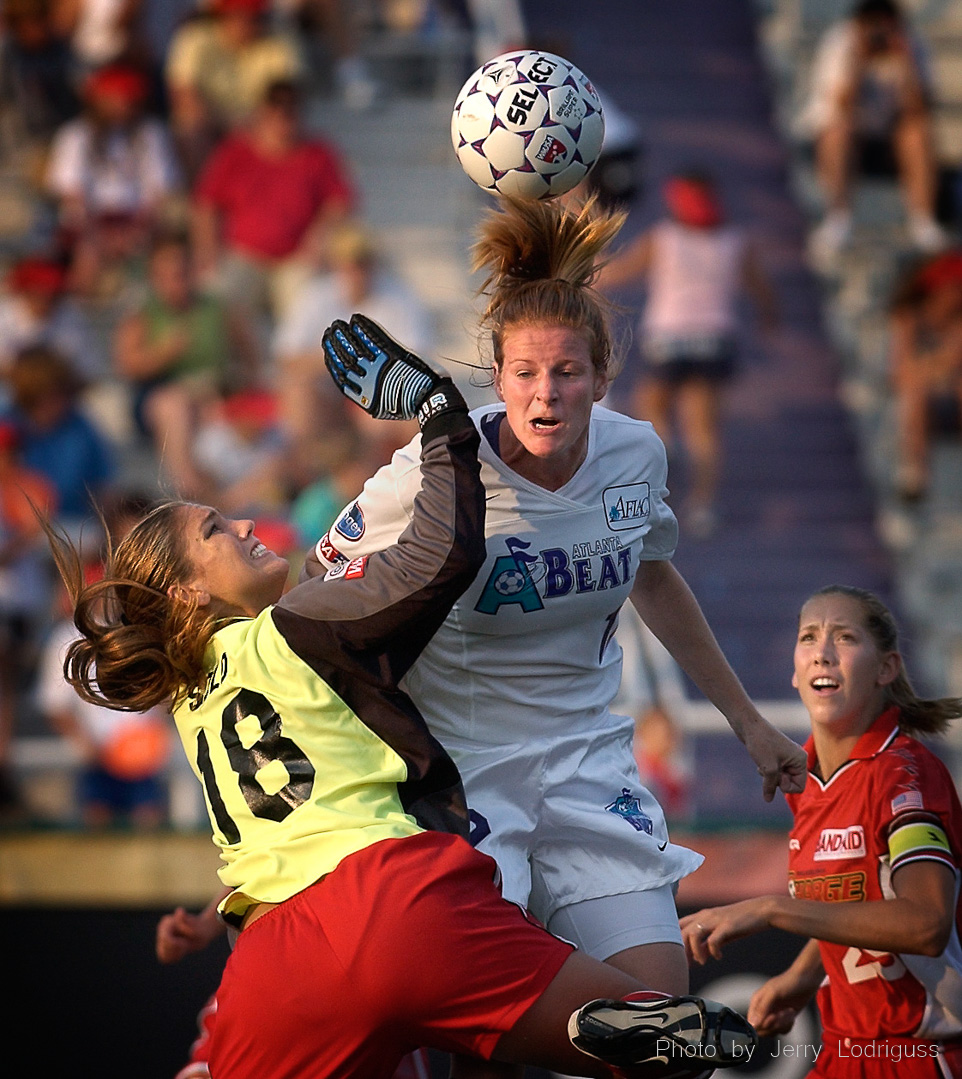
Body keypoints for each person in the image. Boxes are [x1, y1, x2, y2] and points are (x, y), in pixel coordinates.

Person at [43, 311, 757, 1079]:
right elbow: (442, 554)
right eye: (217, 528)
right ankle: (745, 1042)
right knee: (660, 1033)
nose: (244, 522)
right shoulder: (294, 626)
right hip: (398, 904)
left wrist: (213, 912)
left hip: (279, 955)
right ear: (187, 593)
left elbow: (279, 825)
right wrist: (441, 413)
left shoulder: (186, 695)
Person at [308, 198, 806, 1078]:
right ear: (495, 378)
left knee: (660, 1036)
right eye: (528, 372)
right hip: (460, 780)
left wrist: (747, 722)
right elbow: (316, 597)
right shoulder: (434, 468)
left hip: (587, 768)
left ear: (603, 376)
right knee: (486, 1039)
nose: (548, 393)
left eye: (569, 372)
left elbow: (651, 572)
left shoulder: (636, 454)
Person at [680, 584, 962, 1078]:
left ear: (886, 669)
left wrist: (771, 909)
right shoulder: (803, 778)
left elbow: (926, 923)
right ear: (794, 670)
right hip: (842, 1051)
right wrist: (802, 975)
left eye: (845, 637)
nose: (823, 653)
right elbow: (855, 901)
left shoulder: (904, 777)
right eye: (809, 637)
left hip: (919, 1055)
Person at [597, 169, 777, 538]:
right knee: (704, 427)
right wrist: (767, 318)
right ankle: (703, 505)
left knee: (649, 404)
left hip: (669, 337)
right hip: (716, 340)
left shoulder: (662, 238)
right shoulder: (736, 241)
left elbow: (617, 273)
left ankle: (663, 440)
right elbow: (762, 291)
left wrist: (585, 267)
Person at [191, 77, 356, 325]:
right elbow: (206, 204)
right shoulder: (236, 151)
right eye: (276, 111)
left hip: (294, 259)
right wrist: (207, 252)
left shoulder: (317, 153)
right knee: (216, 299)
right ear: (263, 113)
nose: (283, 119)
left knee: (310, 306)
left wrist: (318, 237)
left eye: (290, 112)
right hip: (243, 256)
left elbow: (340, 202)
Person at [113, 231, 261, 499]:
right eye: (166, 275)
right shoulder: (144, 314)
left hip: (214, 394)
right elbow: (127, 366)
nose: (175, 282)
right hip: (162, 398)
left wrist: (235, 385)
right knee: (174, 405)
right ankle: (189, 490)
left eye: (181, 272)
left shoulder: (217, 308)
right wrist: (165, 352)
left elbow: (251, 356)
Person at [800, 0, 946, 261]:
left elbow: (919, 108)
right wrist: (858, 62)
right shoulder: (841, 42)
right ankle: (838, 218)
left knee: (917, 131)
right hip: (843, 138)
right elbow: (841, 105)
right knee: (839, 130)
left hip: (887, 141)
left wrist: (906, 63)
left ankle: (923, 221)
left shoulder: (911, 45)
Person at [44, 60, 182, 295]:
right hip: (88, 223)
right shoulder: (75, 135)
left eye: (129, 99)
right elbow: (71, 196)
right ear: (99, 100)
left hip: (138, 221)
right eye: (116, 98)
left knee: (166, 252)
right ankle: (81, 314)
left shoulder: (152, 134)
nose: (123, 105)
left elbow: (160, 193)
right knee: (87, 253)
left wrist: (136, 230)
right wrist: (98, 234)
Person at [887, 249, 962, 502]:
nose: (957, 293)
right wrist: (936, 367)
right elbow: (900, 371)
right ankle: (914, 472)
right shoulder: (908, 318)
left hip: (950, 396)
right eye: (953, 287)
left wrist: (930, 367)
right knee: (915, 393)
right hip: (917, 400)